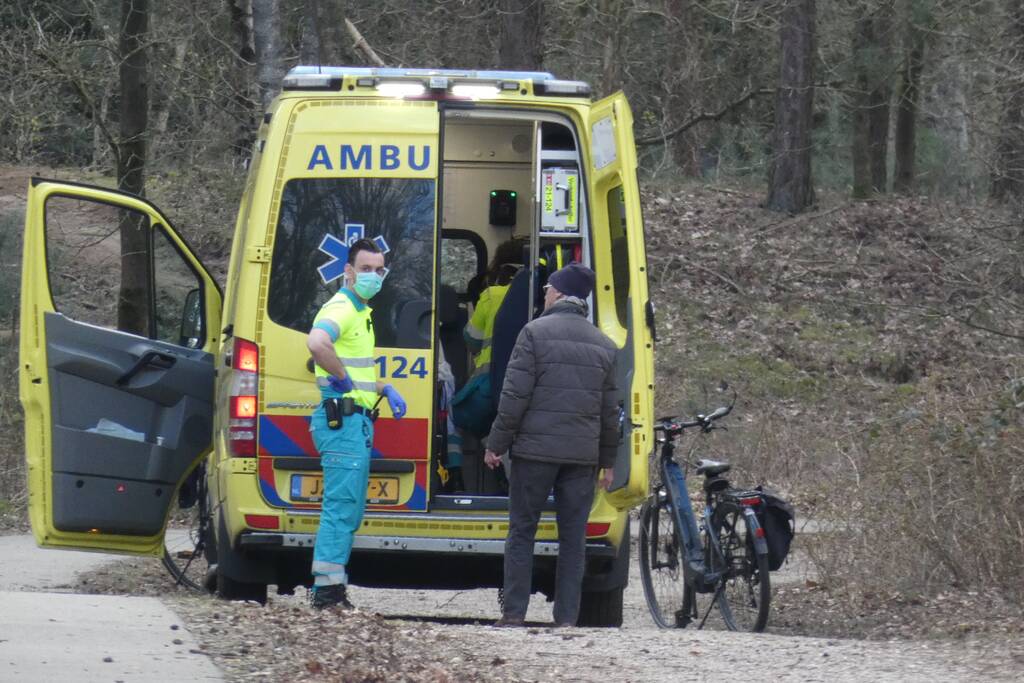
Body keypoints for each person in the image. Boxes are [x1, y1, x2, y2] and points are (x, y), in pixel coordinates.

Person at [484, 263, 618, 627]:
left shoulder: (533, 333)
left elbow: (514, 397)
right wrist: (607, 462)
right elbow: (609, 413)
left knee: (522, 531)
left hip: (534, 455)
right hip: (581, 459)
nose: (544, 294)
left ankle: (514, 614)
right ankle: (566, 619)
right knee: (573, 539)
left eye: (547, 289)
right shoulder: (604, 345)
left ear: (558, 293)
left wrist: (496, 444)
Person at [305, 238, 407, 610]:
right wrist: (341, 377)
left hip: (354, 423)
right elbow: (317, 343)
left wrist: (384, 388)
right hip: (343, 421)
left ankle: (332, 589)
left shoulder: (360, 312)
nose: (373, 276)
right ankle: (326, 593)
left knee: (349, 509)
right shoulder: (342, 307)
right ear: (348, 271)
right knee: (341, 506)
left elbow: (356, 372)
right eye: (365, 269)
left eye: (379, 270)